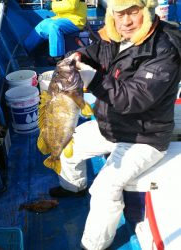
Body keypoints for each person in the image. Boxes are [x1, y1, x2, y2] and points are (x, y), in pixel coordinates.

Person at [48, 0, 181, 249]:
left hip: (145, 136)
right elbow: (96, 52)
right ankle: (73, 186)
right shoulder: (118, 36)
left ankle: (94, 244)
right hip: (112, 124)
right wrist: (79, 57)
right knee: (68, 145)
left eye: (134, 13)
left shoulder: (165, 50)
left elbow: (134, 99)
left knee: (104, 187)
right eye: (119, 14)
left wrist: (94, 79)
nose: (126, 21)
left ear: (147, 12)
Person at [23, 0, 87, 64]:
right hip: (61, 18)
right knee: (42, 25)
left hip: (76, 20)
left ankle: (57, 57)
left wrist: (52, 5)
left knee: (55, 26)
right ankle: (25, 50)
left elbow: (71, 6)